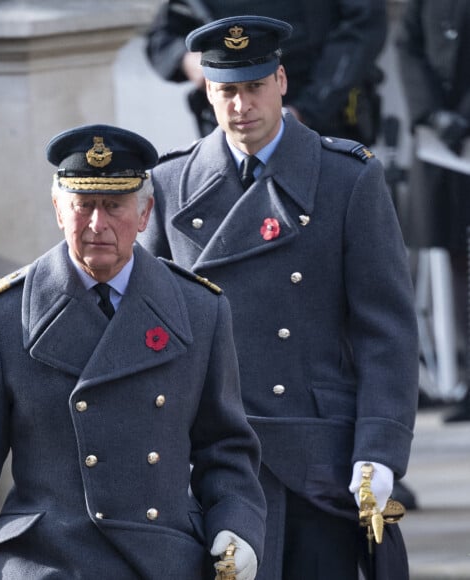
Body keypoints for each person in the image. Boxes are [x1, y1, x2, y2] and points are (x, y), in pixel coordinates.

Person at [138, 15, 419, 580]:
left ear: (282, 81)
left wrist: (379, 450)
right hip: (216, 457)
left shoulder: (347, 179)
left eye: (255, 86)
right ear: (208, 93)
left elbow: (384, 329)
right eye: (227, 91)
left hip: (319, 456)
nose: (242, 105)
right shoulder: (171, 184)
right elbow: (151, 333)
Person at [0, 124, 267, 580]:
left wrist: (235, 526)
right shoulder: (2, 317)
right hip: (48, 560)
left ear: (145, 214)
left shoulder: (199, 309)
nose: (97, 225)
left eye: (114, 206)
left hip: (161, 558)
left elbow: (225, 448)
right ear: (58, 210)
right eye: (83, 205)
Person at [145, 0, 386, 143]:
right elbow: (162, 38)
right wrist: (189, 61)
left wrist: (304, 110)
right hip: (235, 128)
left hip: (324, 118)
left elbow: (364, 27)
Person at [396, 0, 470, 423]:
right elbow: (409, 47)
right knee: (458, 256)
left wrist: (463, 115)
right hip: (440, 142)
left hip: (461, 127)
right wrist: (433, 115)